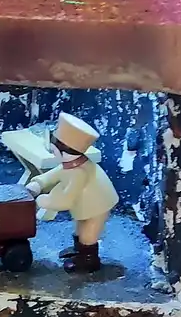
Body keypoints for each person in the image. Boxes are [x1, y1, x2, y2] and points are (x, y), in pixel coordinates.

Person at [27, 112, 118, 273]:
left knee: (88, 234)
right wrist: (38, 184)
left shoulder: (79, 173)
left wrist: (43, 200)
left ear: (64, 150)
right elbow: (53, 175)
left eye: (55, 144)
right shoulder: (72, 165)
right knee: (80, 228)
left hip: (97, 207)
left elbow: (65, 200)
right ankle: (79, 251)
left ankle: (88, 260)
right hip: (86, 206)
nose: (52, 148)